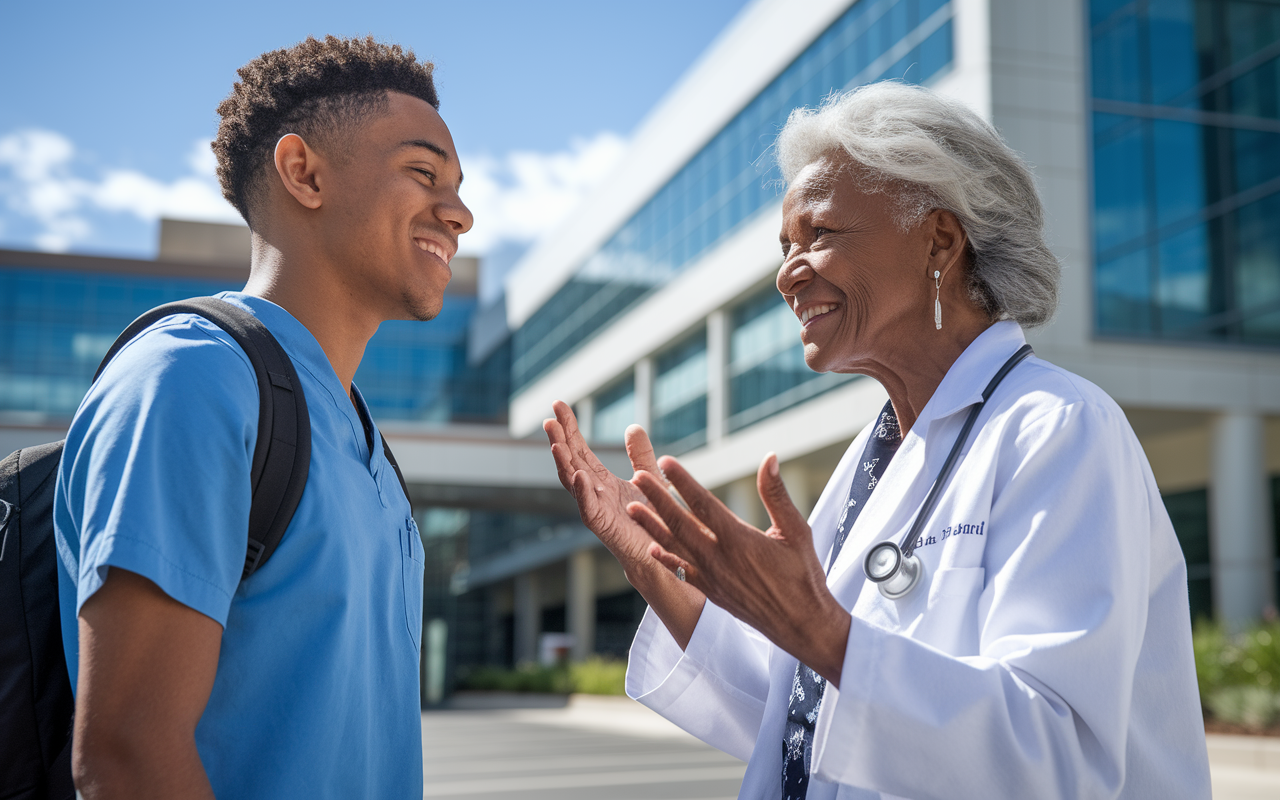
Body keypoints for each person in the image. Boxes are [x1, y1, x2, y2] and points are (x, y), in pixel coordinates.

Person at [544, 81, 1210, 799]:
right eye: (784, 246)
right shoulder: (874, 458)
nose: (786, 274)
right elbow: (802, 722)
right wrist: (654, 566)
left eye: (819, 235)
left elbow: (1057, 756)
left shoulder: (1058, 428)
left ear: (939, 241)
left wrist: (822, 631)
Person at [53, 36, 472, 800]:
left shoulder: (364, 441)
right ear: (303, 172)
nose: (461, 213)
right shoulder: (190, 378)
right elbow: (126, 757)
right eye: (424, 173)